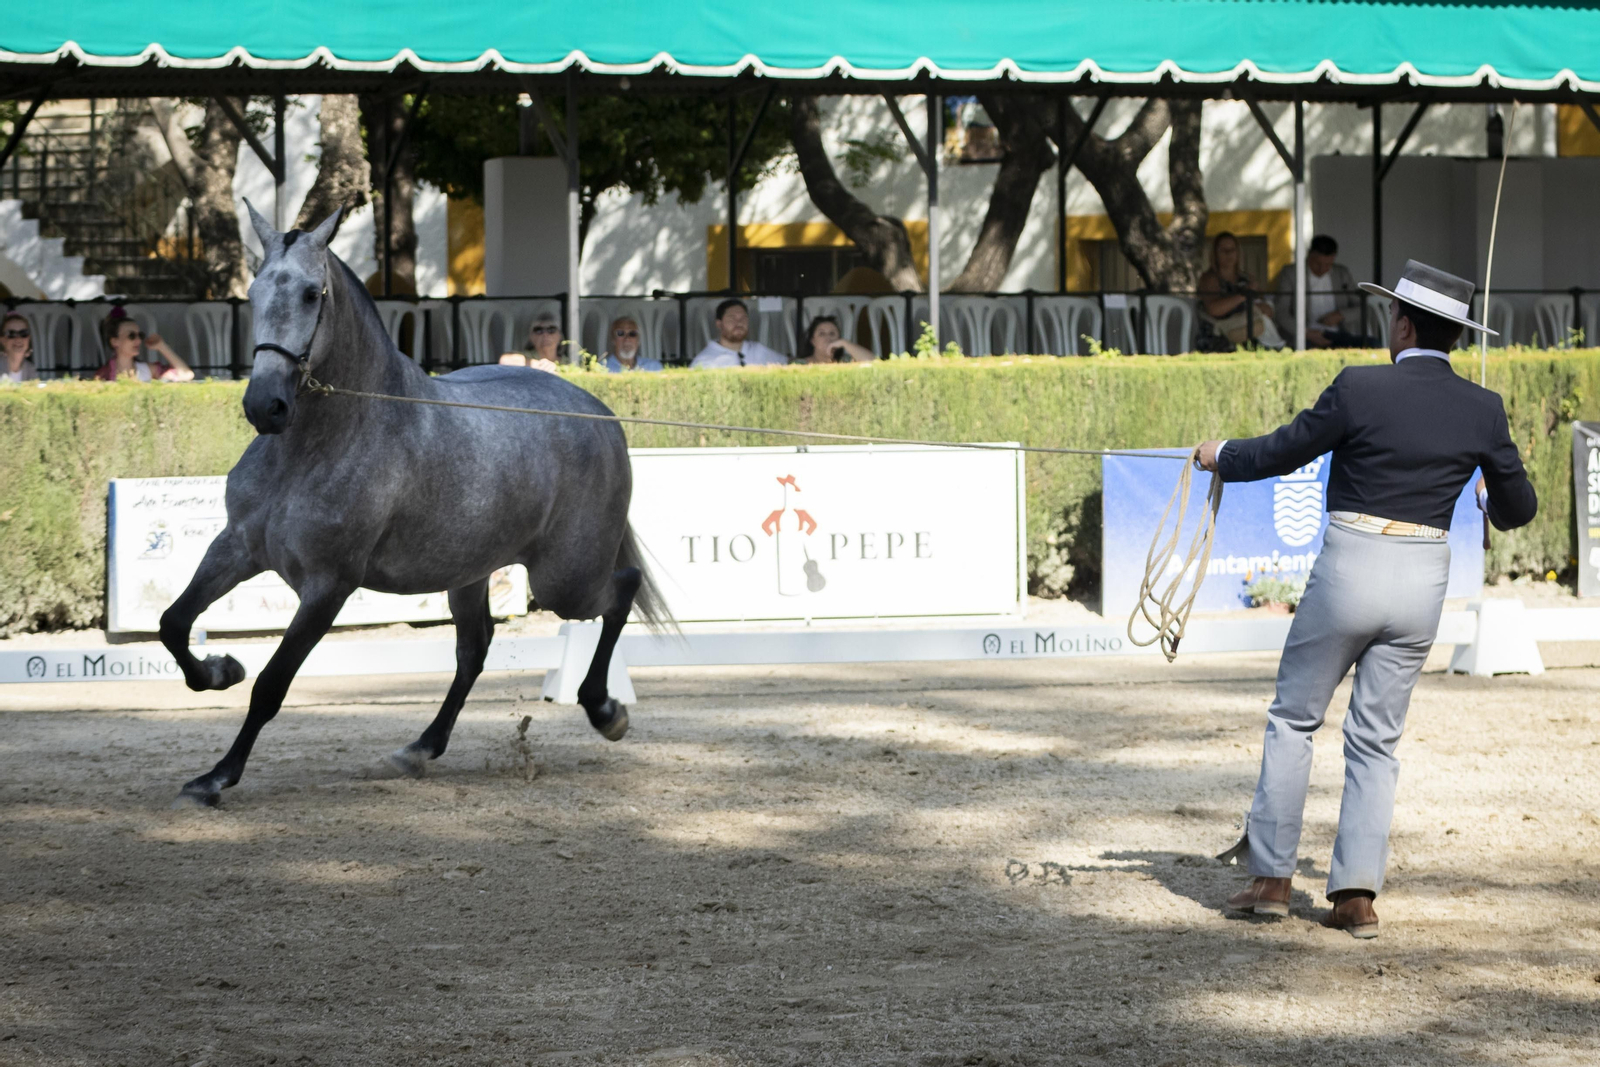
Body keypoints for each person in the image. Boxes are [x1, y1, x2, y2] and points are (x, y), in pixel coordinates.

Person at [1197, 260, 1537, 938]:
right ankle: (1356, 896)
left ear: (1403, 324)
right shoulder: (1483, 407)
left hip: (1353, 561)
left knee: (1295, 715)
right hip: (1425, 577)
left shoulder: (1359, 385)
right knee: (1376, 739)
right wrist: (1488, 497)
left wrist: (1220, 454)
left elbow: (1284, 451)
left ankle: (1269, 877)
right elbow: (1519, 509)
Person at [1273, 235, 1382, 348]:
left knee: (1373, 344)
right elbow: (1281, 311)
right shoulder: (1291, 273)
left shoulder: (1341, 274)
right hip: (1304, 335)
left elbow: (1362, 306)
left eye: (1328, 265)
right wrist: (1305, 333)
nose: (1322, 269)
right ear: (1309, 254)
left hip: (1337, 334)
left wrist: (1340, 315)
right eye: (1317, 264)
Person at [1196, 232, 1286, 351]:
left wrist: (1259, 307)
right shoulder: (1209, 279)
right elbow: (1214, 309)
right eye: (1223, 250)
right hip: (1221, 336)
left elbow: (1266, 309)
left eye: (1232, 250)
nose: (1228, 254)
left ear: (1238, 253)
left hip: (1252, 333)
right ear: (1215, 254)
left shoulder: (1246, 279)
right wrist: (1243, 296)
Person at [94, 307, 194, 382]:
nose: (138, 340)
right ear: (115, 341)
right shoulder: (104, 374)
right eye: (131, 336)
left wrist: (162, 346)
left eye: (140, 335)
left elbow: (186, 374)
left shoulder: (146, 369)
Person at [690, 299, 788, 368]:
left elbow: (789, 364)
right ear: (719, 324)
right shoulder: (705, 361)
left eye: (743, 318)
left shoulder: (757, 351)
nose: (739, 323)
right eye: (732, 318)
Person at [796, 316, 876, 364]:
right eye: (822, 334)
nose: (828, 338)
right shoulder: (800, 365)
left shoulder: (845, 361)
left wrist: (845, 343)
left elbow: (874, 363)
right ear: (812, 340)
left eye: (832, 333)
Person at [2, 311, 38, 383]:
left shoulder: (30, 369)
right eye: (11, 334)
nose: (18, 339)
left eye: (23, 333)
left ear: (29, 338)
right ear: (2, 340)